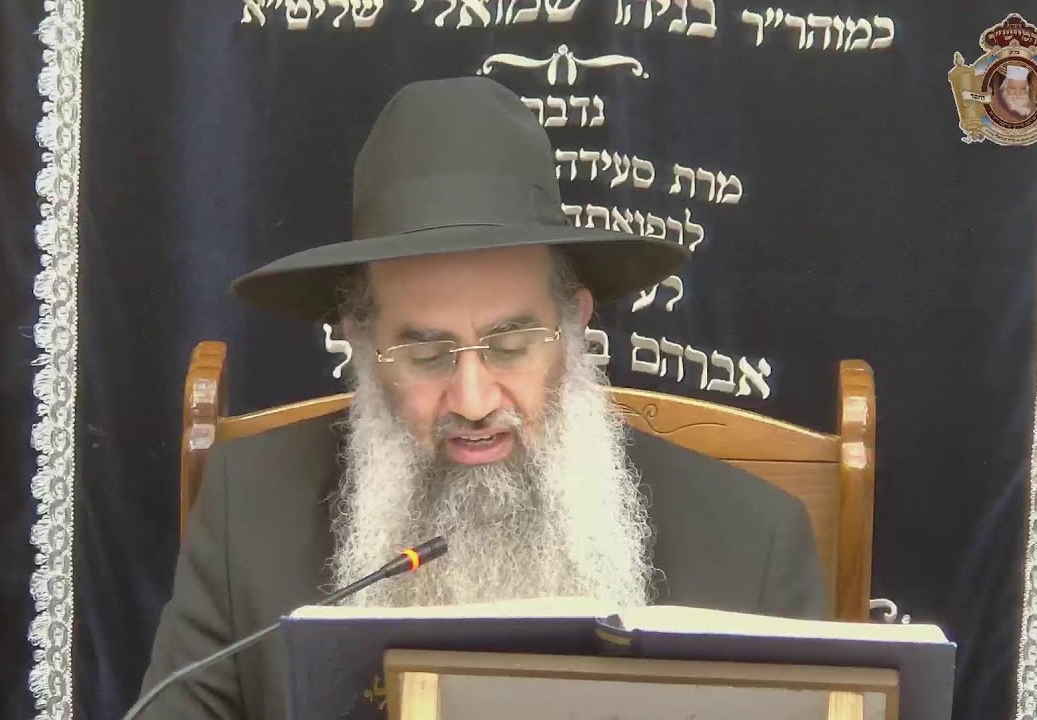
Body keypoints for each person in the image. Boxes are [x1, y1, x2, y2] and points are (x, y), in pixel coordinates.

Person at [137, 76, 826, 719]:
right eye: (426, 354)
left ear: (575, 324)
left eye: (511, 344)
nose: (471, 400)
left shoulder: (753, 548)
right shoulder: (248, 518)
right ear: (361, 341)